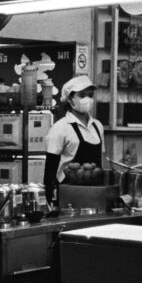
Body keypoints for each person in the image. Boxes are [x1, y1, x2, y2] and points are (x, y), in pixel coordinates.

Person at [43, 75, 104, 206]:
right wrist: (48, 201)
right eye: (82, 95)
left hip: (95, 193)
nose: (88, 99)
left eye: (90, 95)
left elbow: (101, 162)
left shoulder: (98, 126)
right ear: (70, 99)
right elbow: (50, 170)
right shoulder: (60, 127)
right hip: (68, 195)